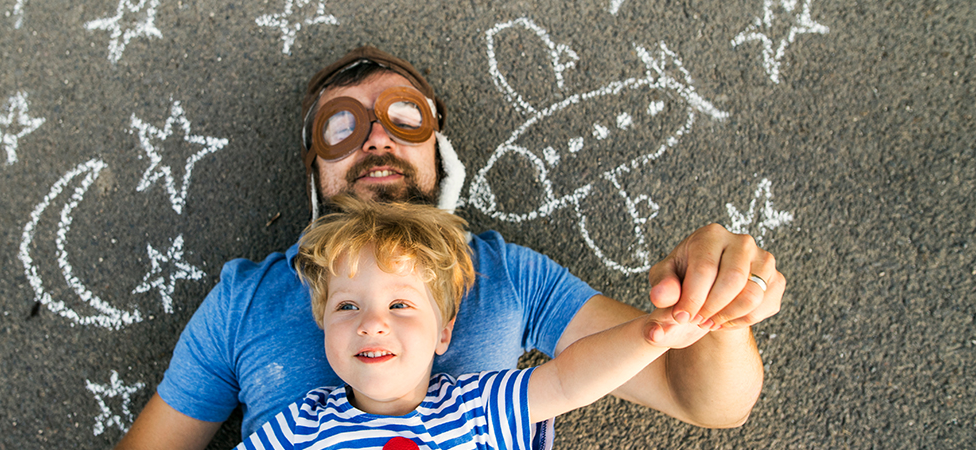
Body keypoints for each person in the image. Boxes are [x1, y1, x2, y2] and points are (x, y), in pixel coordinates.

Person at [115, 46, 785, 449]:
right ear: (311, 163)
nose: (376, 138)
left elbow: (706, 402)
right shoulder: (245, 298)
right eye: (340, 125)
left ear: (440, 147)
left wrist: (714, 312)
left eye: (404, 116)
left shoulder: (506, 273)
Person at [238, 196, 708, 449]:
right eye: (347, 307)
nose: (372, 323)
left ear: (445, 333)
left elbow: (567, 380)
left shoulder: (473, 406)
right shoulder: (299, 426)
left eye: (400, 305)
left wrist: (653, 335)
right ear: (322, 326)